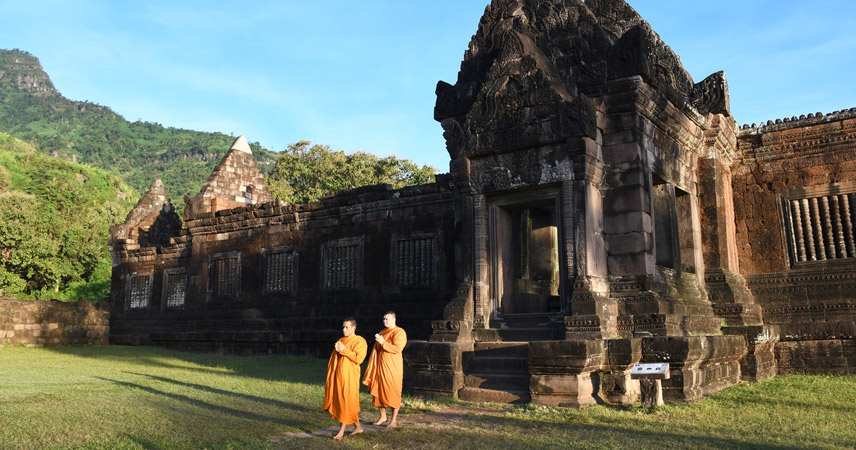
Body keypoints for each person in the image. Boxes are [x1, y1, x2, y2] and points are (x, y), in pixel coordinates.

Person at [323, 317, 367, 440]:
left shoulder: (360, 341)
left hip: (350, 376)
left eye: (347, 327)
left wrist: (344, 350)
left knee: (346, 401)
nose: (344, 329)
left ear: (353, 328)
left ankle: (341, 432)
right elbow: (335, 359)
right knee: (347, 403)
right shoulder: (341, 340)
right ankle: (358, 427)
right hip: (339, 376)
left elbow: (358, 359)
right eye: (343, 327)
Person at [363, 311, 407, 428]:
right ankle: (383, 416)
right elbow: (377, 349)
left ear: (394, 320)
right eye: (383, 319)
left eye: (387, 319)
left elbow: (397, 348)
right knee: (378, 390)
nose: (384, 321)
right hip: (380, 366)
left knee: (394, 391)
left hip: (393, 367)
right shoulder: (382, 332)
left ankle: (393, 420)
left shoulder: (399, 332)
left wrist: (383, 342)